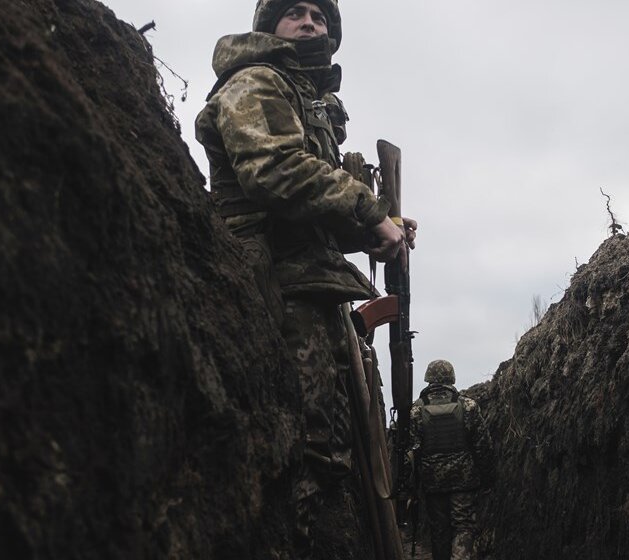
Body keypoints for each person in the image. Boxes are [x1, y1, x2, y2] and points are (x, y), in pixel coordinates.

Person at [194, 0, 417, 555]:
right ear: (270, 27)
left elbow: (309, 220)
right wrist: (368, 210)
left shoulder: (306, 98)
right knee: (308, 456)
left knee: (333, 454)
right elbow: (273, 171)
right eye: (296, 13)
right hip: (276, 289)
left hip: (310, 287)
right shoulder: (257, 80)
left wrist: (371, 229)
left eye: (320, 16)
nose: (311, 23)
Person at [409, 360, 494, 560]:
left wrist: (412, 486)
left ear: (429, 379)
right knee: (463, 527)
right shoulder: (468, 406)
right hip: (463, 480)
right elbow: (483, 446)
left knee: (439, 531)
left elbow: (412, 452)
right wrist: (489, 478)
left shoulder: (416, 410)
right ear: (451, 378)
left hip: (433, 481)